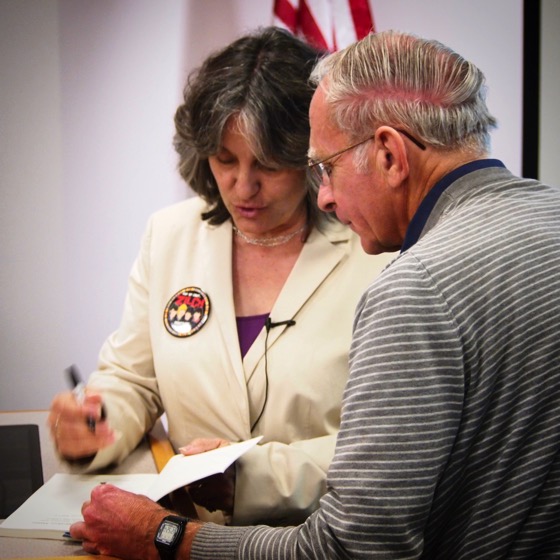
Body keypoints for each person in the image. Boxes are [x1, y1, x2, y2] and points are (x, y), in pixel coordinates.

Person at [68, 29, 560, 559]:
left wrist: (165, 537)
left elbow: (356, 547)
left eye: (322, 166)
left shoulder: (412, 281)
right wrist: (101, 420)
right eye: (225, 160)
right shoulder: (546, 221)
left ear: (391, 154)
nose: (324, 193)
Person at [47, 26, 393, 527]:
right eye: (225, 160)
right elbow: (132, 380)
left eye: (268, 164)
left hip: (321, 539)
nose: (242, 185)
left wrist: (250, 478)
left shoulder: (375, 251)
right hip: (188, 539)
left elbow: (384, 444)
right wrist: (97, 424)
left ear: (312, 158)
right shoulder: (169, 235)